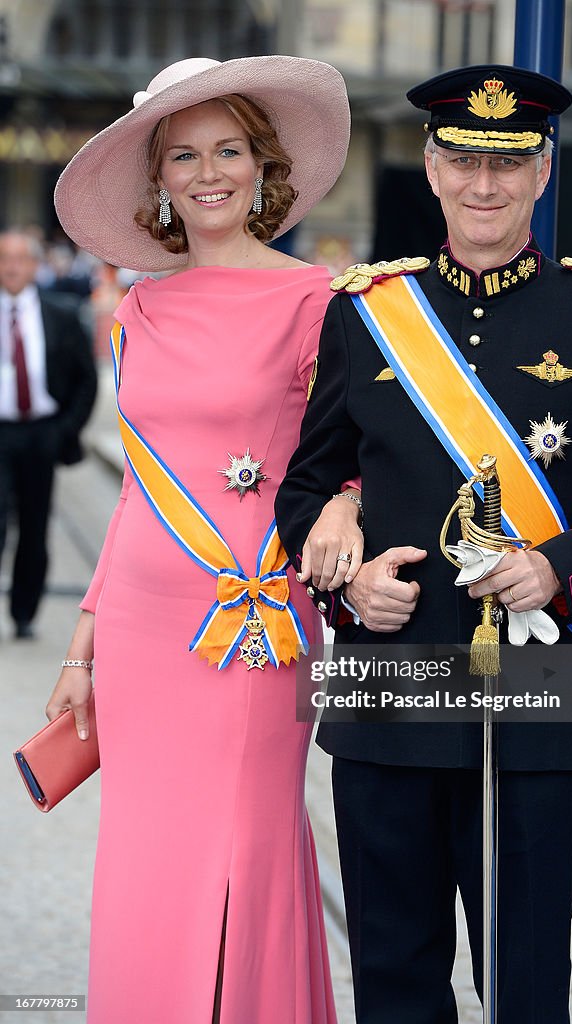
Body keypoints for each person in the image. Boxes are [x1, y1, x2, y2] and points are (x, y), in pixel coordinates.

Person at [276, 64, 572, 1023]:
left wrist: (560, 567)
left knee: (525, 979)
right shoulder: (367, 313)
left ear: (544, 172)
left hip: (536, 702)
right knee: (393, 975)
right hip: (387, 685)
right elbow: (307, 486)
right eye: (463, 159)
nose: (485, 184)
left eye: (509, 162)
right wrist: (347, 584)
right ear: (429, 166)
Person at [46, 56, 363, 1024]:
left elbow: (354, 450)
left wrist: (345, 504)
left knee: (248, 843)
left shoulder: (323, 297)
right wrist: (82, 647)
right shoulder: (140, 307)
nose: (208, 170)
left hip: (255, 623)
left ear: (263, 167)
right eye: (184, 154)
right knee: (149, 853)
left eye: (229, 149)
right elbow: (143, 489)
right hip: (142, 628)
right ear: (161, 179)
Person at [0, 229, 96, 639]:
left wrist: (64, 430)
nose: (12, 266)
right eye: (5, 258)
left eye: (20, 258)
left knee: (35, 526)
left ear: (35, 265)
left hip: (42, 433)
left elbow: (85, 380)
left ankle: (24, 611)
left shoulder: (60, 313)